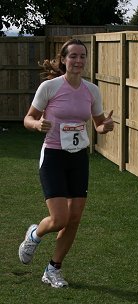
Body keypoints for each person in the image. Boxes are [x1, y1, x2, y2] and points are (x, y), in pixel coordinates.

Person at [19, 38, 114, 288]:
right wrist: (37, 124)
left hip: (78, 158)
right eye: (73, 56)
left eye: (82, 56)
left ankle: (53, 268)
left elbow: (99, 124)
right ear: (63, 60)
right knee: (59, 218)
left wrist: (105, 127)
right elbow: (28, 118)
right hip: (53, 156)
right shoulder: (49, 87)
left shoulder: (91, 91)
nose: (78, 61)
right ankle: (34, 234)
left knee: (74, 219)